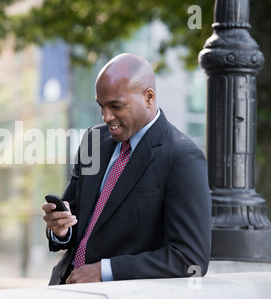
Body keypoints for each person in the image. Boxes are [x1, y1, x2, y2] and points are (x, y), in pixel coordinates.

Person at [42, 53, 212, 285]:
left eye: (116, 106)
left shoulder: (183, 157)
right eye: (101, 106)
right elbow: (76, 220)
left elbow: (189, 258)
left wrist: (104, 271)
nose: (106, 116)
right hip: (64, 289)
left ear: (149, 97)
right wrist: (61, 230)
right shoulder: (93, 140)